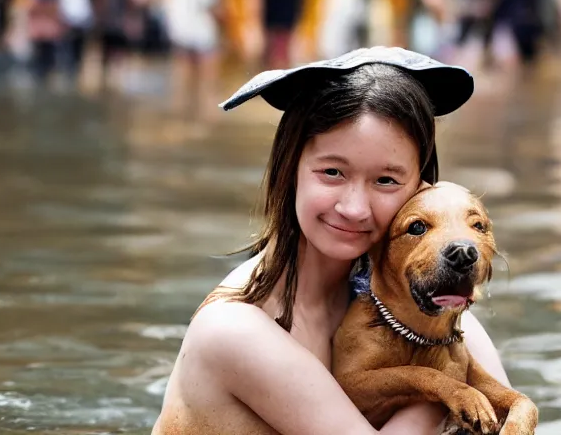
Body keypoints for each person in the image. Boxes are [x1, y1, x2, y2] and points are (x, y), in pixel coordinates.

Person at [153, 47, 511, 434]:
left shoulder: (420, 311)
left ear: (421, 188)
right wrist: (446, 384)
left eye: (386, 180)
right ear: (291, 169)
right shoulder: (233, 330)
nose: (355, 208)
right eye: (332, 172)